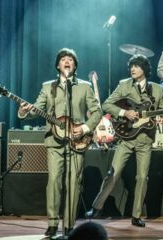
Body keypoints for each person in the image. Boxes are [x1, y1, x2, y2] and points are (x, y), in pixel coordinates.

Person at [85, 54, 163, 227]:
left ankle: (136, 215)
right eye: (131, 66)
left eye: (136, 66)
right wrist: (125, 113)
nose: (132, 69)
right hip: (126, 138)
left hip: (145, 140)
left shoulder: (157, 90)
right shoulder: (124, 85)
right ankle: (96, 207)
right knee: (113, 174)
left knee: (142, 177)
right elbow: (107, 105)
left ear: (144, 69)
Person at [18, 48, 102, 237]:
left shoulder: (85, 86)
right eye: (63, 59)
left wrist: (85, 128)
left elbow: (97, 112)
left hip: (77, 141)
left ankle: (70, 225)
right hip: (54, 143)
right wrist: (24, 111)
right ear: (58, 65)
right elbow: (36, 110)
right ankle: (53, 224)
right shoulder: (48, 87)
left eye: (70, 59)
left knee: (73, 183)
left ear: (75, 65)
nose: (67, 61)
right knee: (54, 181)